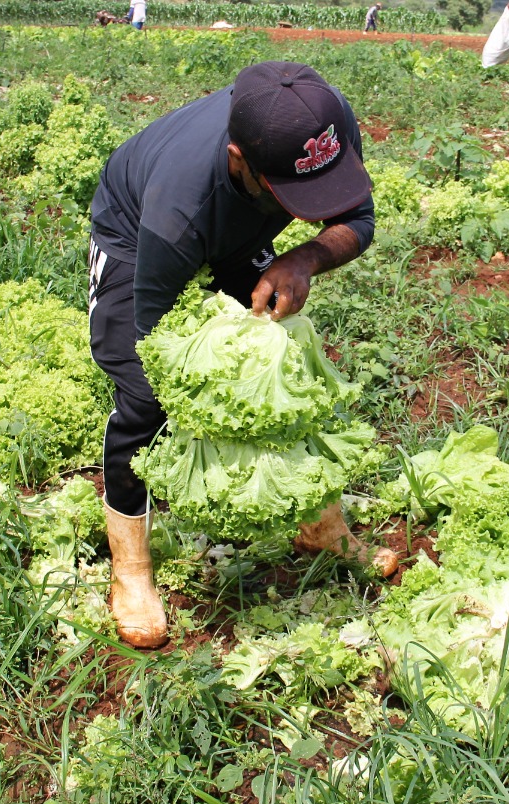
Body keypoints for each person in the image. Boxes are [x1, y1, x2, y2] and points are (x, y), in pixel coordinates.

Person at [87, 61, 398, 649]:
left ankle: (321, 528)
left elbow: (357, 218)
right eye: (294, 196)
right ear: (238, 159)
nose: (309, 207)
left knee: (284, 370)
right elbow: (156, 345)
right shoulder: (179, 211)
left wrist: (303, 257)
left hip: (237, 227)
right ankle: (130, 570)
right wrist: (212, 383)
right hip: (136, 236)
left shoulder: (320, 125)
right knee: (146, 398)